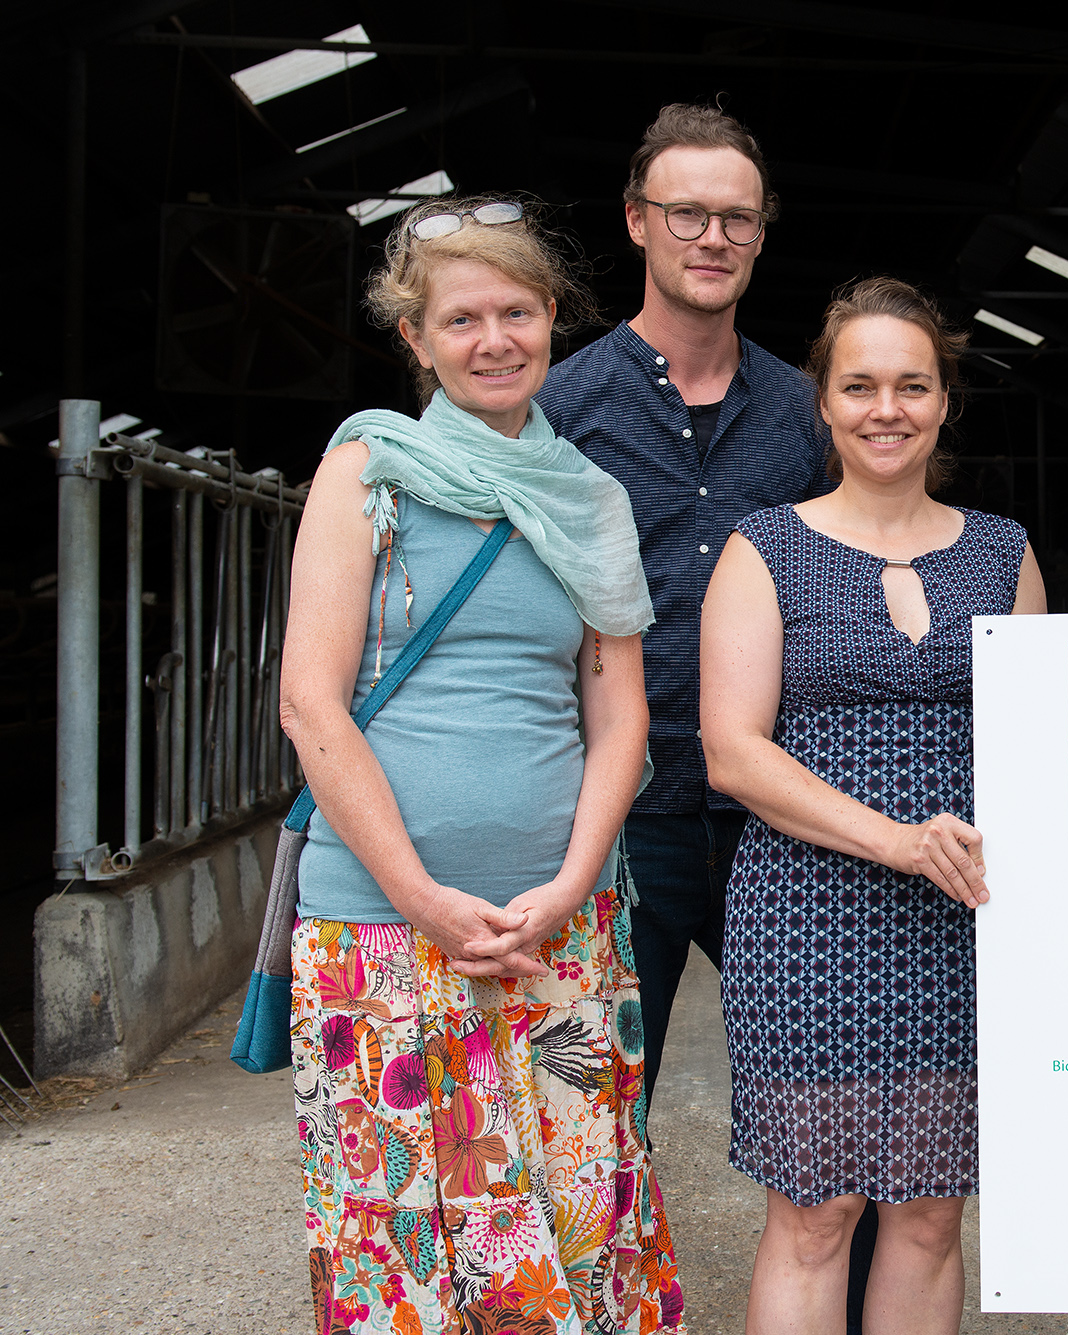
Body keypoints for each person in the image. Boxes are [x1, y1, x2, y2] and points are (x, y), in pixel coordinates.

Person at [280, 196, 684, 1335]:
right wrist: (423, 898)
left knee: (575, 1216)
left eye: (516, 311)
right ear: (413, 338)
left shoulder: (593, 501)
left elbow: (620, 719)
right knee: (405, 1234)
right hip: (380, 927)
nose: (493, 339)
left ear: (553, 319)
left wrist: (565, 886)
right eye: (461, 320)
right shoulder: (369, 471)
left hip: (564, 927)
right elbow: (309, 703)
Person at [701, 277, 1047, 1334]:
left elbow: (1040, 742)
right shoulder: (765, 547)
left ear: (942, 401)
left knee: (931, 1216)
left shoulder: (1002, 551)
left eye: (910, 385)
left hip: (962, 922)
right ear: (823, 402)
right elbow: (731, 752)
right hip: (806, 921)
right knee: (815, 1213)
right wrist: (897, 842)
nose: (883, 408)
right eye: (858, 386)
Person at [538, 104, 830, 1124]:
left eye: (737, 219)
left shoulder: (807, 412)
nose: (713, 238)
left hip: (778, 807)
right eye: (686, 214)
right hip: (620, 811)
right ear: (635, 220)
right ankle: (595, 1286)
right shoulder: (559, 409)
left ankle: (844, 1286)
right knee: (593, 1107)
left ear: (760, 233)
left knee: (826, 1101)